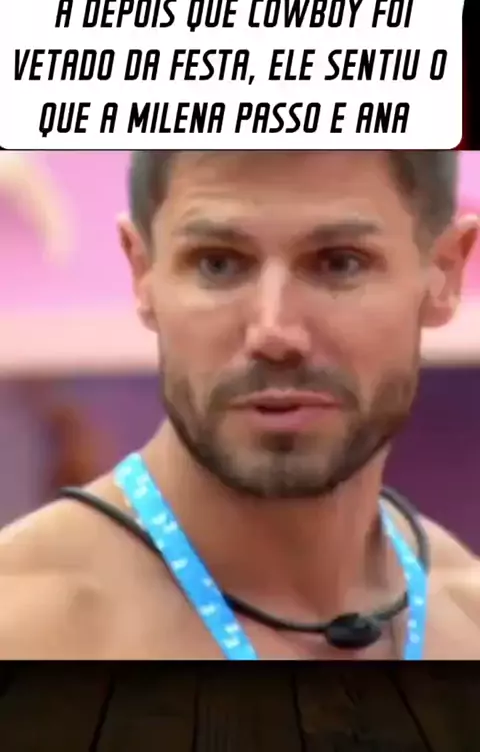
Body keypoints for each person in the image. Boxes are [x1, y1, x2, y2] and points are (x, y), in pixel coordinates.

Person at [0, 149, 479, 660]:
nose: (275, 332)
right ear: (143, 274)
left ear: (444, 273)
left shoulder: (465, 616)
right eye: (218, 264)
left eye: (340, 263)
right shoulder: (22, 621)